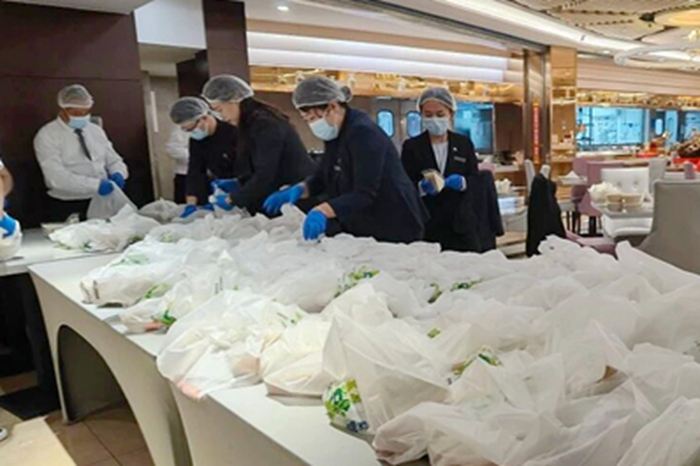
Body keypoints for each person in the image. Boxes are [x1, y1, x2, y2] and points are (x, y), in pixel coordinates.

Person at [263, 76, 426, 243]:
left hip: (394, 220)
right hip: (364, 221)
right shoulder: (335, 134)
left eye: (313, 118)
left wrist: (322, 211)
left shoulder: (363, 133)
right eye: (307, 120)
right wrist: (301, 189)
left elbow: (364, 192)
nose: (312, 124)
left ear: (332, 106)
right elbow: (324, 175)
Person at [201, 75, 317, 214]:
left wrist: (231, 199)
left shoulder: (265, 124)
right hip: (281, 192)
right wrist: (240, 182)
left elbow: (265, 174)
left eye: (220, 110)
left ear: (234, 100)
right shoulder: (250, 124)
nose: (222, 117)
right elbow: (257, 166)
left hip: (295, 195)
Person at [401, 87, 481, 252]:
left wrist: (463, 182)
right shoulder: (412, 147)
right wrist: (421, 188)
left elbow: (476, 179)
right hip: (428, 224)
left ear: (451, 114)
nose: (434, 120)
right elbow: (404, 185)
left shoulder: (463, 144)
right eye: (428, 115)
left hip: (460, 224)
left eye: (440, 114)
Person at [34, 84, 129, 222]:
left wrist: (119, 173)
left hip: (102, 200)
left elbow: (114, 159)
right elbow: (56, 177)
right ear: (63, 110)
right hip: (69, 203)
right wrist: (96, 185)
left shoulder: (95, 131)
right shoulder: (47, 135)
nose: (82, 117)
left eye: (86, 112)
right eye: (76, 114)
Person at [169, 97, 239, 218]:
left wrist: (237, 188)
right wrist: (191, 204)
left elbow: (252, 168)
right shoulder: (197, 140)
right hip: (219, 188)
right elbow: (195, 170)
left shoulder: (234, 133)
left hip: (243, 188)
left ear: (204, 118)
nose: (192, 133)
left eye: (192, 128)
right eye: (186, 130)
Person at [165, 126, 190, 204]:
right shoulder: (183, 127)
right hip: (185, 175)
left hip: (211, 175)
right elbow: (172, 149)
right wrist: (196, 157)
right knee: (183, 206)